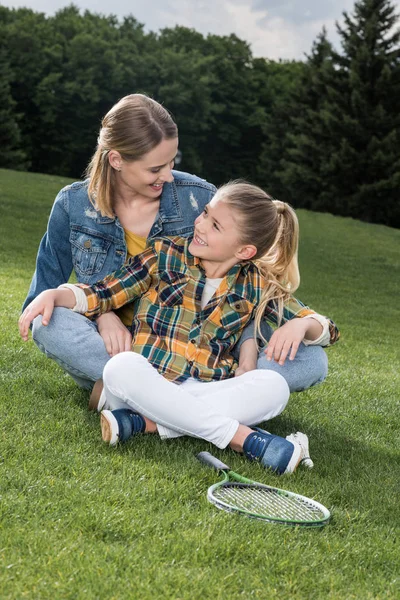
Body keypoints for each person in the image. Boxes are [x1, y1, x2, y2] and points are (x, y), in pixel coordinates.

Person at [19, 182, 339, 475]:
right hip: (147, 371)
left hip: (208, 383)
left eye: (215, 226)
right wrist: (56, 293)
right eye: (205, 214)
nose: (199, 225)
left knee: (275, 386)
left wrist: (303, 325)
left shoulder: (257, 283)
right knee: (118, 364)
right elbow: (103, 292)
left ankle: (143, 419)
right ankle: (243, 438)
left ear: (244, 251)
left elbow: (328, 329)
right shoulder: (164, 254)